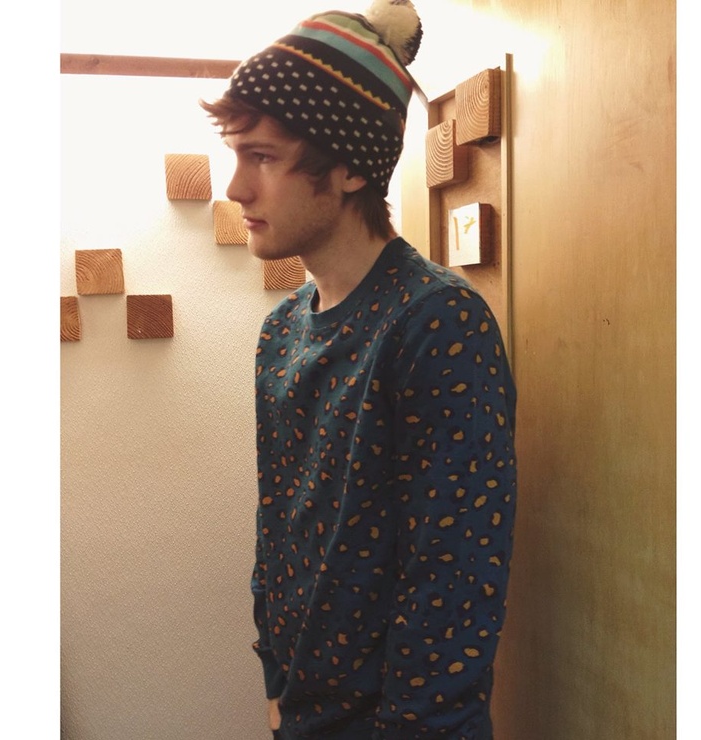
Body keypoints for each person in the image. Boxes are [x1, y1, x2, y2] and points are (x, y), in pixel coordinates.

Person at [201, 2, 517, 738]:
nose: (237, 187)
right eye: (237, 155)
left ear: (348, 167)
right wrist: (276, 678)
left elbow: (455, 580)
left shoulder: (437, 323)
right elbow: (279, 522)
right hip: (301, 707)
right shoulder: (282, 330)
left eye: (263, 157)